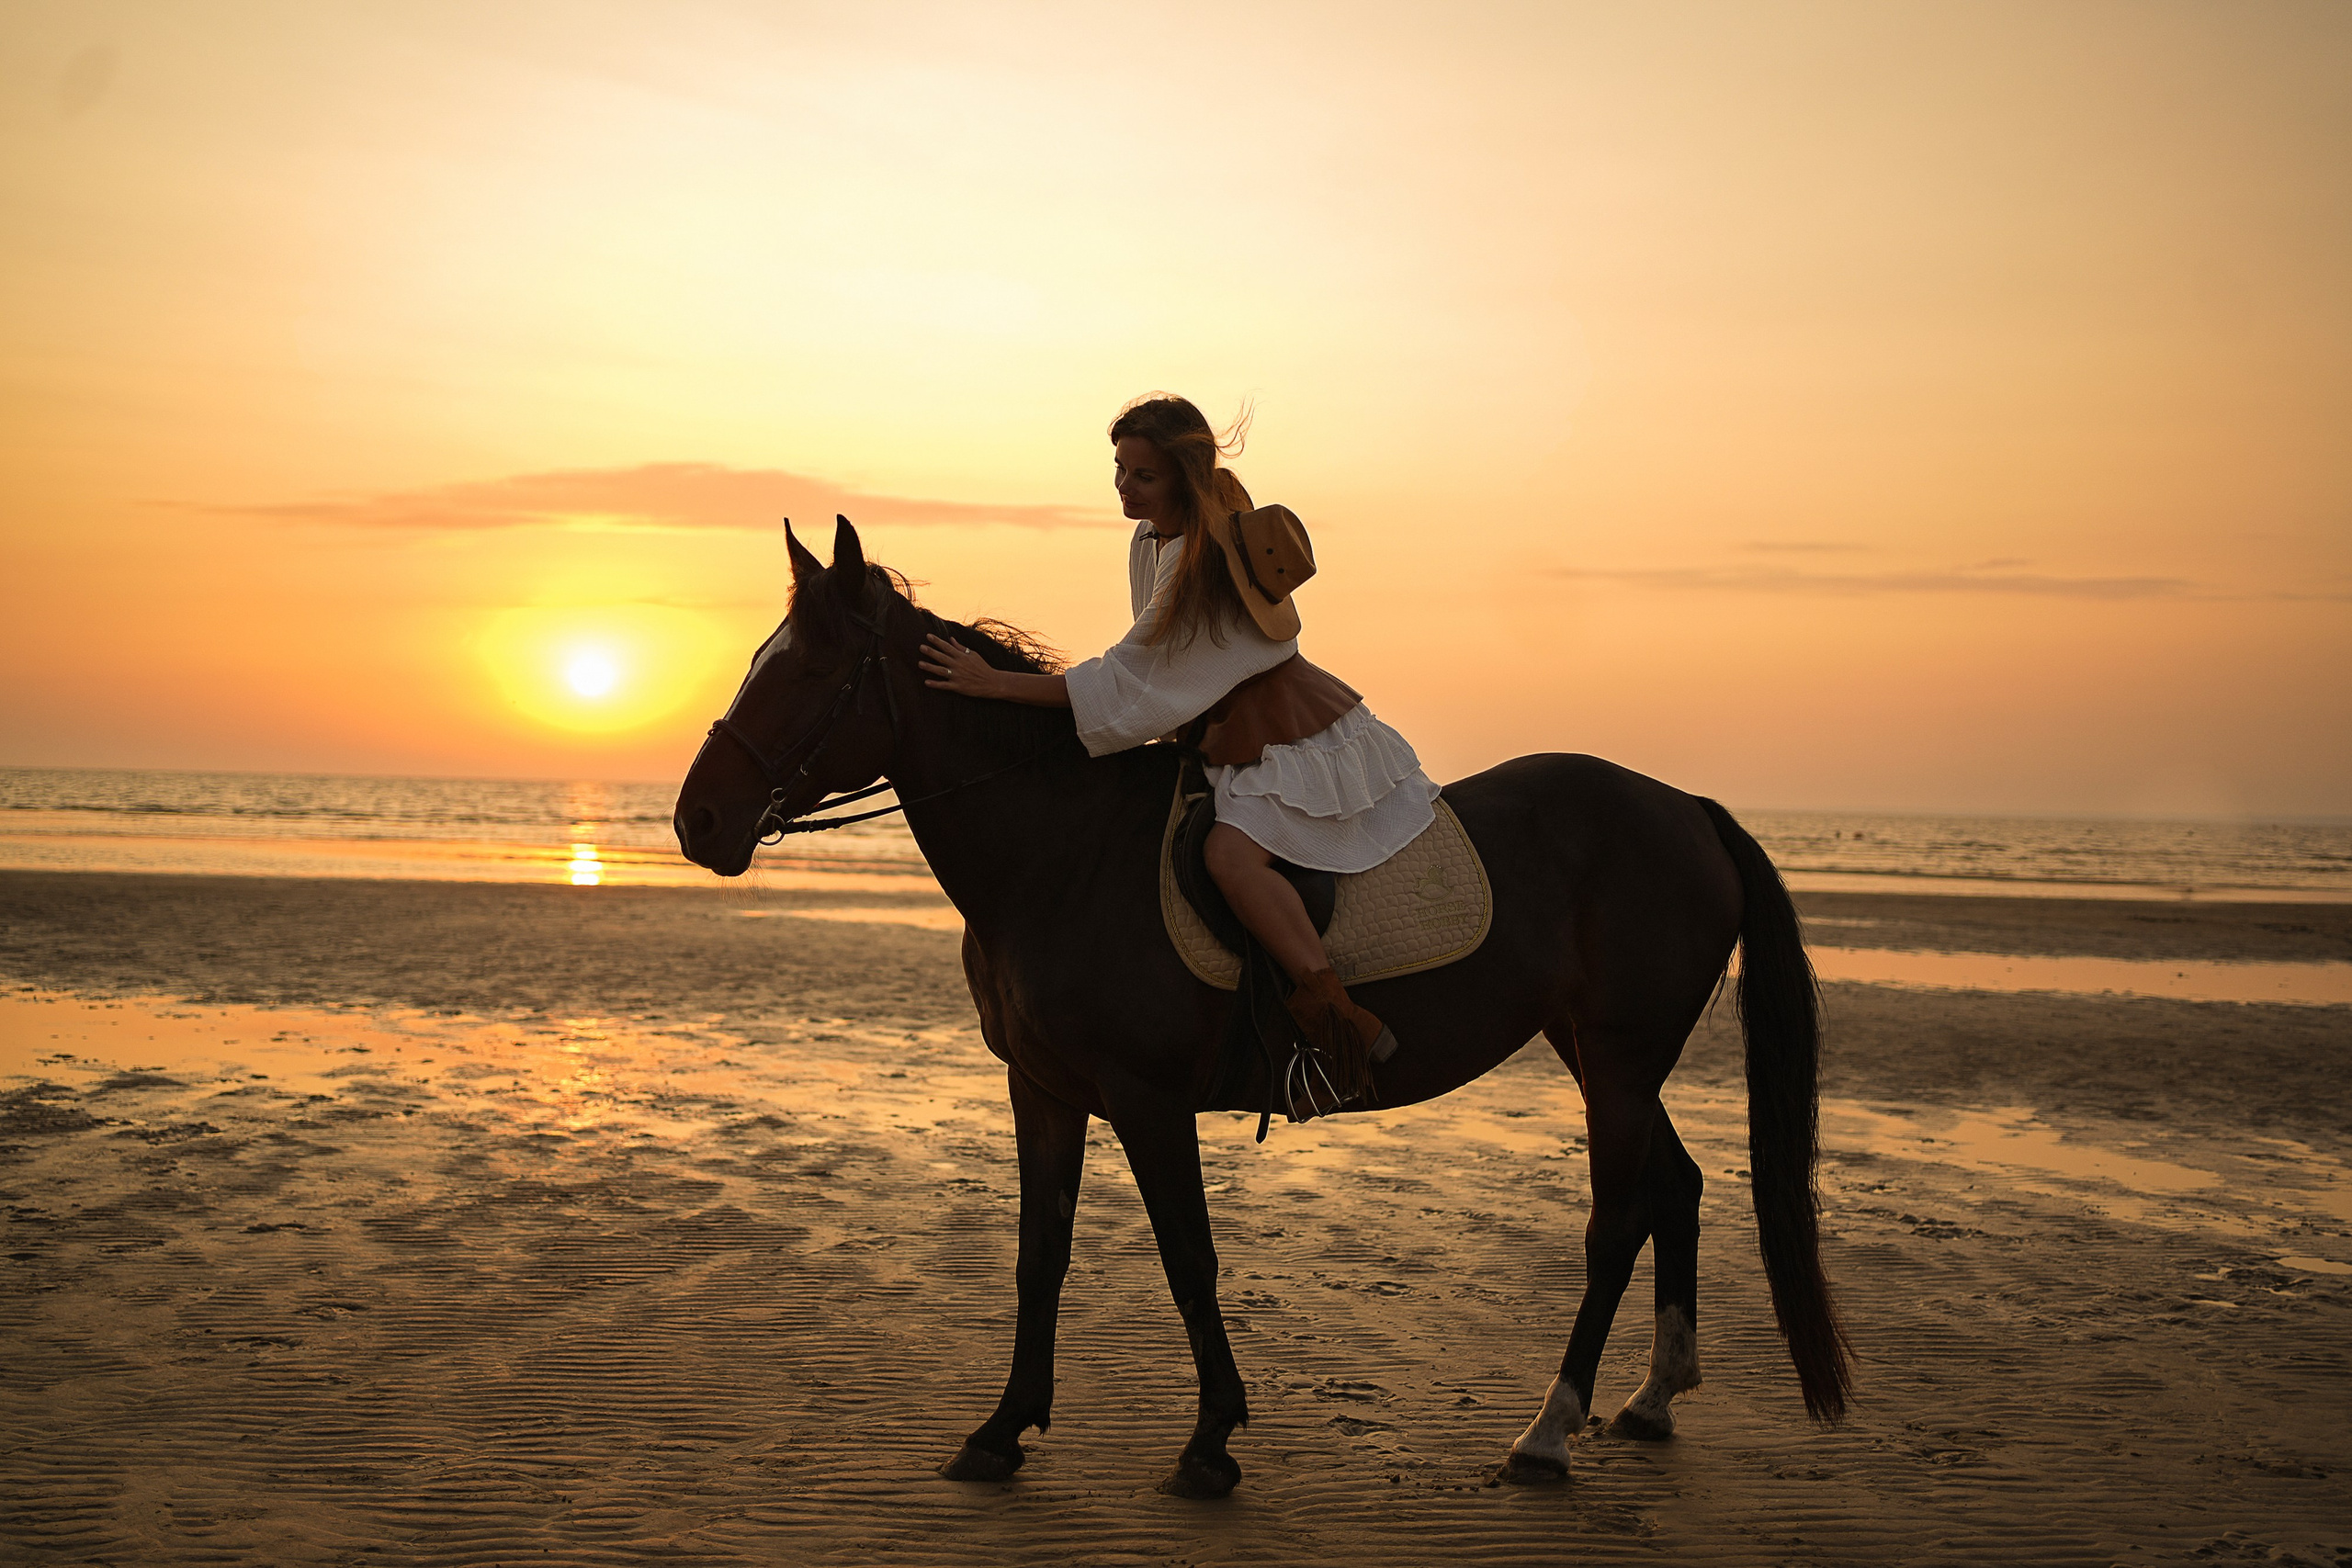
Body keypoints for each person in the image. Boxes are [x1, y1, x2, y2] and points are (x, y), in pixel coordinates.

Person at [915, 393, 1441, 1114]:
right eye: (1119, 469)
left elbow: (1130, 674)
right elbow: (1151, 674)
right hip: (1219, 728)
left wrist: (996, 684)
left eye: (1143, 476)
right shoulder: (1150, 541)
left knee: (1230, 855)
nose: (1124, 487)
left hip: (1277, 729)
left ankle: (1333, 1014)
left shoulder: (1200, 558)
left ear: (1182, 481)